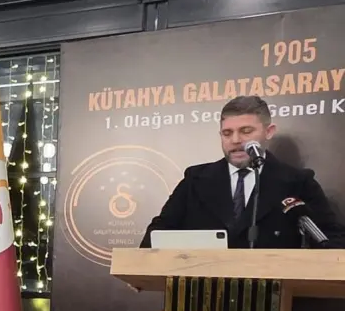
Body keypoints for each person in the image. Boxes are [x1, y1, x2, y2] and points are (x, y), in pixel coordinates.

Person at [141, 95, 345, 249]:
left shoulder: (298, 182)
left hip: (272, 290)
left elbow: (332, 239)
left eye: (246, 131)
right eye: (227, 133)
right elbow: (158, 233)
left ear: (269, 131)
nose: (236, 140)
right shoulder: (195, 180)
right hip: (204, 289)